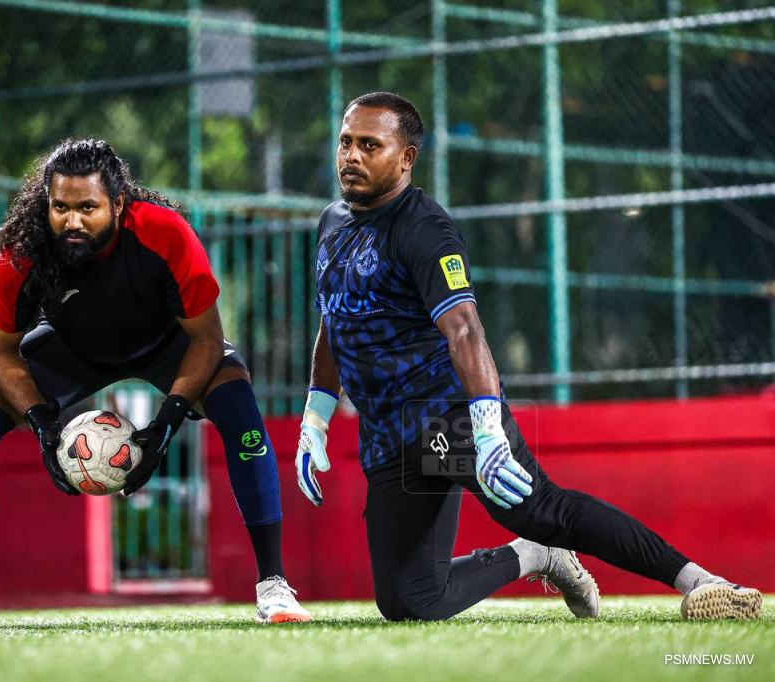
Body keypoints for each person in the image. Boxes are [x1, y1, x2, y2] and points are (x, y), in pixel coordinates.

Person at [294, 91, 762, 622]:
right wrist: (316, 416)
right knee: (408, 602)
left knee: (541, 509)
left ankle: (699, 581)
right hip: (386, 433)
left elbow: (465, 329)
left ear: (406, 158)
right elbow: (335, 319)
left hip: (443, 419)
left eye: (369, 145)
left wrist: (487, 429)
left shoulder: (425, 228)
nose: (351, 156)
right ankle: (536, 556)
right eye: (346, 143)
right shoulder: (332, 222)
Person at [0, 138, 309, 628]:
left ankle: (273, 587)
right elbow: (0, 353)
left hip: (168, 344)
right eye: (61, 207)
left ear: (118, 203)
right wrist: (43, 425)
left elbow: (207, 340)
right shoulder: (24, 248)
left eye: (87, 208)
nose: (72, 221)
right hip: (74, 349)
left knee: (239, 404)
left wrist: (166, 424)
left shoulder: (165, 233)